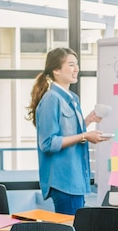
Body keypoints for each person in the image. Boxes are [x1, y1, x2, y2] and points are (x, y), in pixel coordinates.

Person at [27, 47, 108, 216]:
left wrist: (88, 121)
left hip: (76, 179)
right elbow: (48, 143)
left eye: (76, 64)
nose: (76, 69)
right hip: (64, 181)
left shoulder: (71, 98)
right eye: (71, 65)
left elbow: (67, 133)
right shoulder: (51, 99)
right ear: (56, 70)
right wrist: (85, 135)